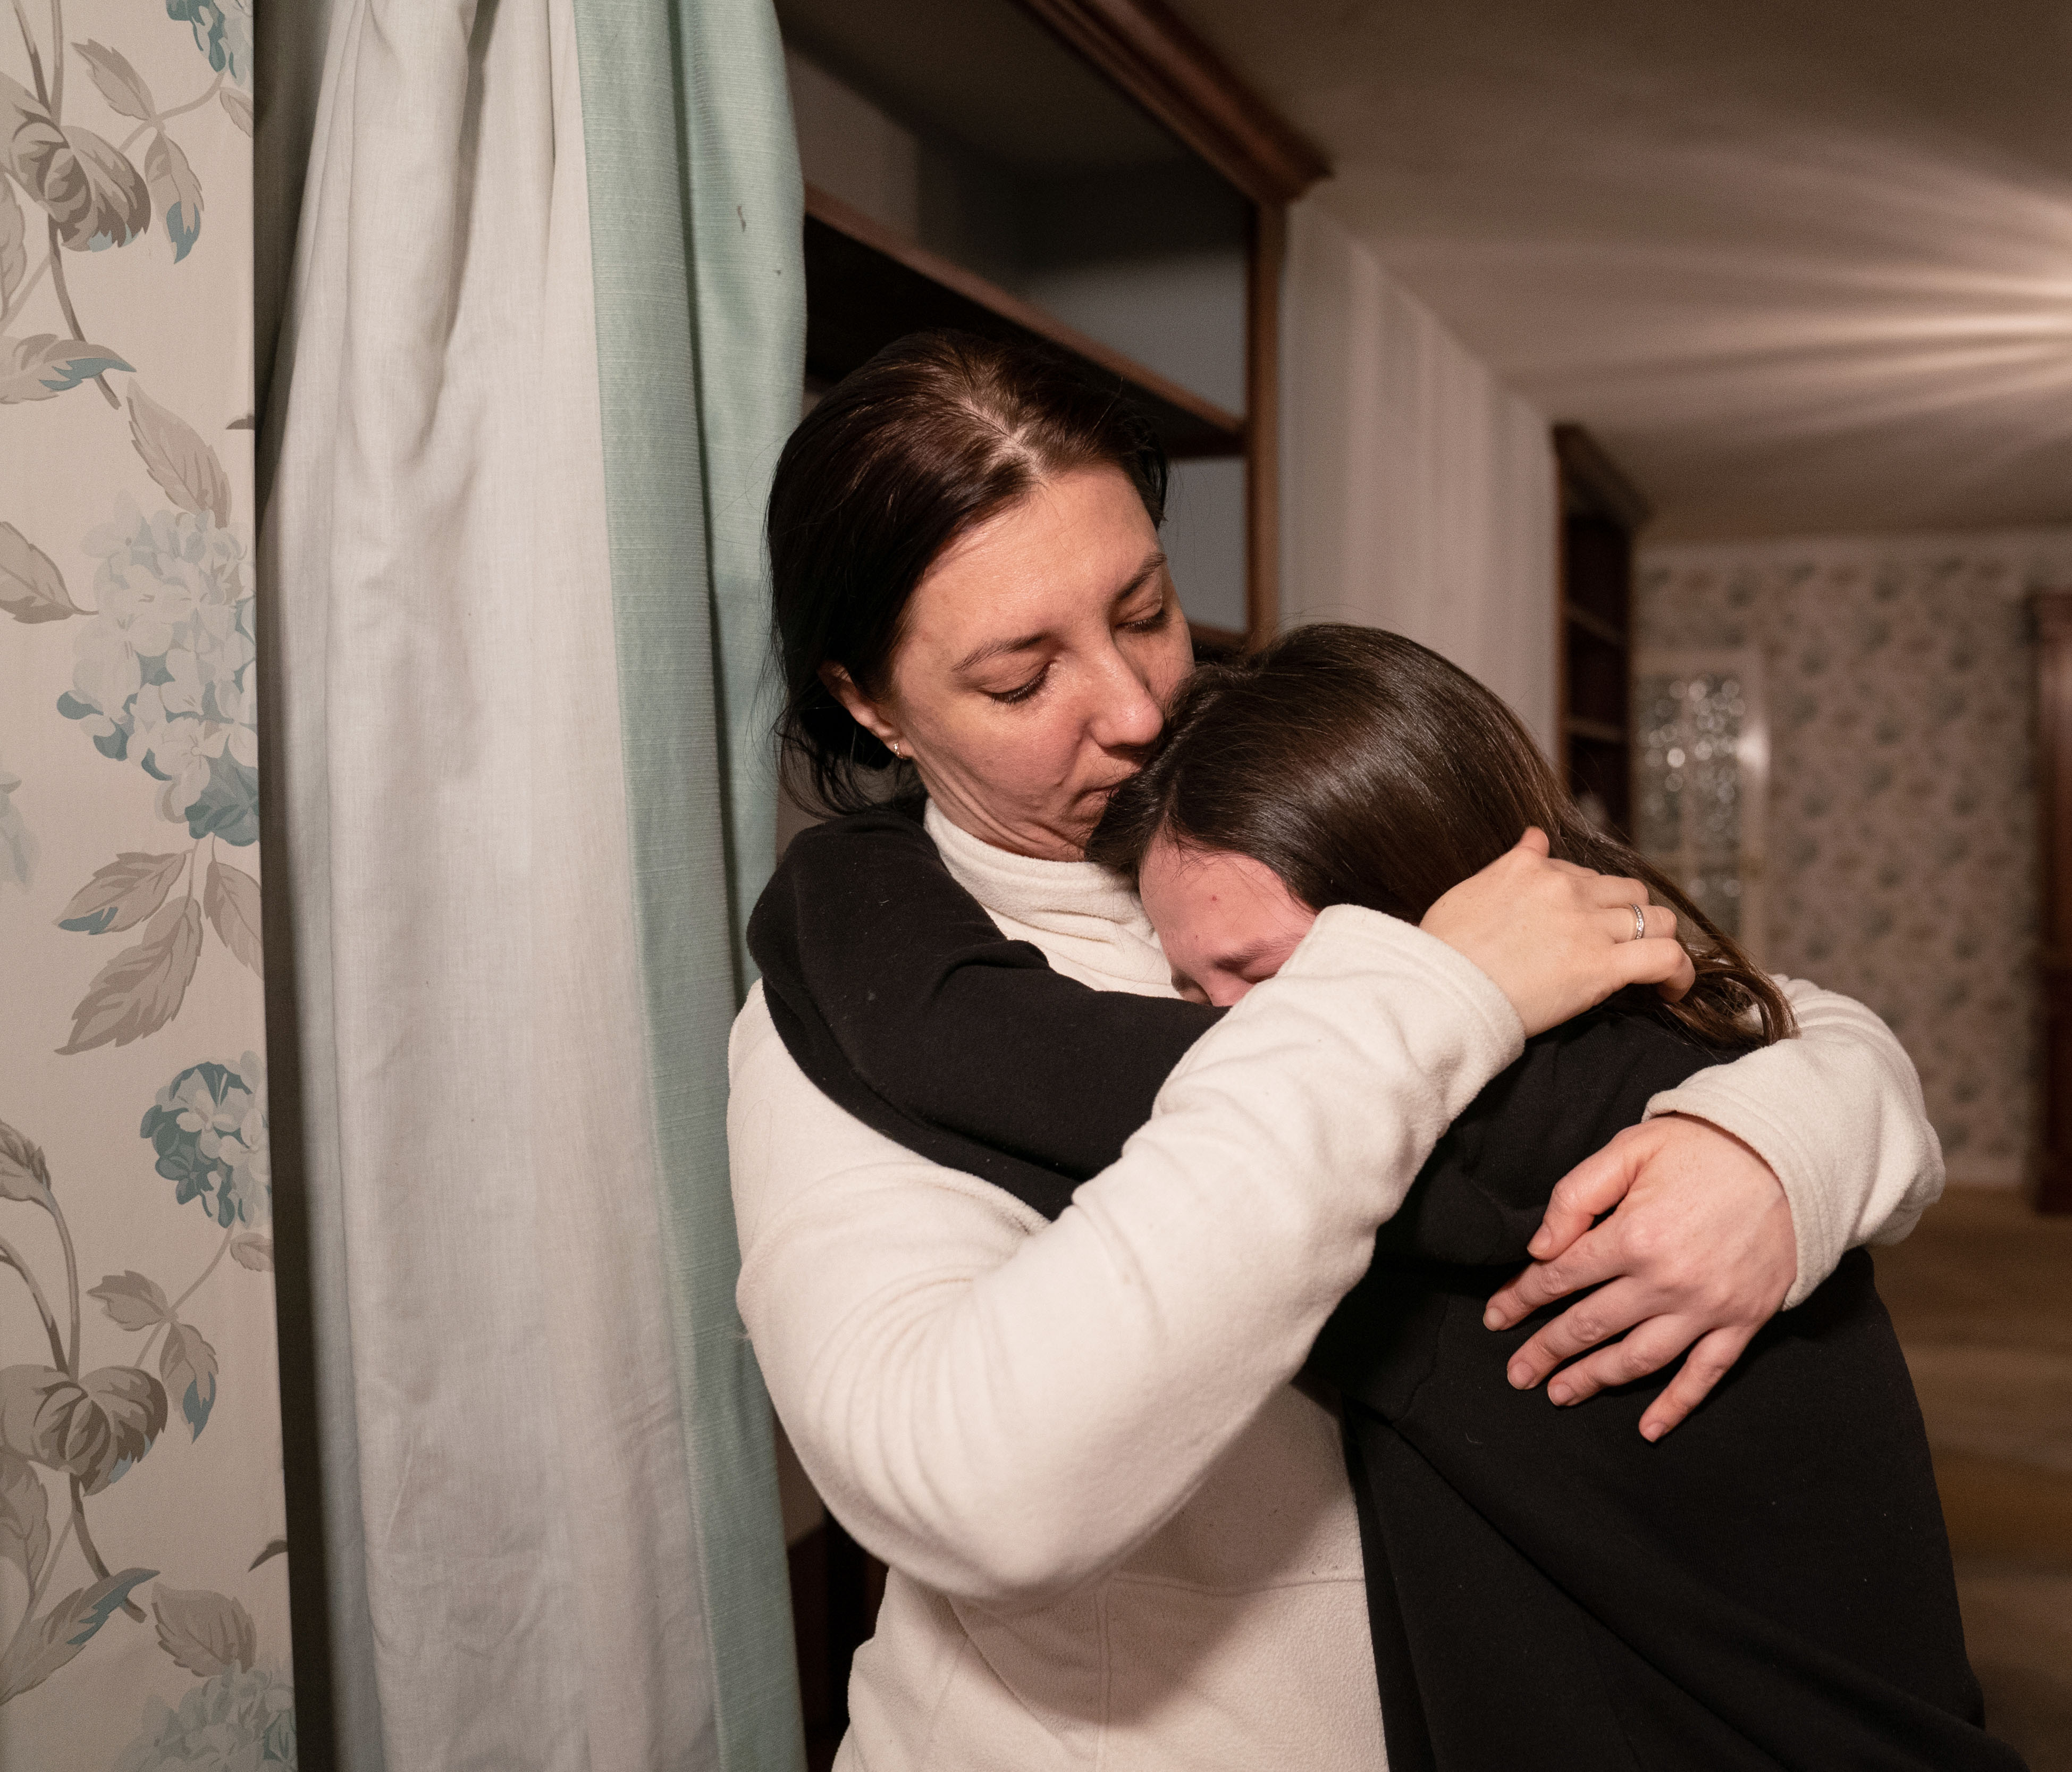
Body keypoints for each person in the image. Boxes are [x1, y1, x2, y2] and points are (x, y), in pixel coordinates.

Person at [730, 330, 1947, 1771]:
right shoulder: (857, 1017)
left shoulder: (1271, 800)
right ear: (871, 703)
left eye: (1147, 610)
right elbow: (966, 1489)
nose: (1133, 712)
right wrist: (1424, 995)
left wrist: (1778, 1147)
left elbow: (1747, 1004)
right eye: (1018, 681)